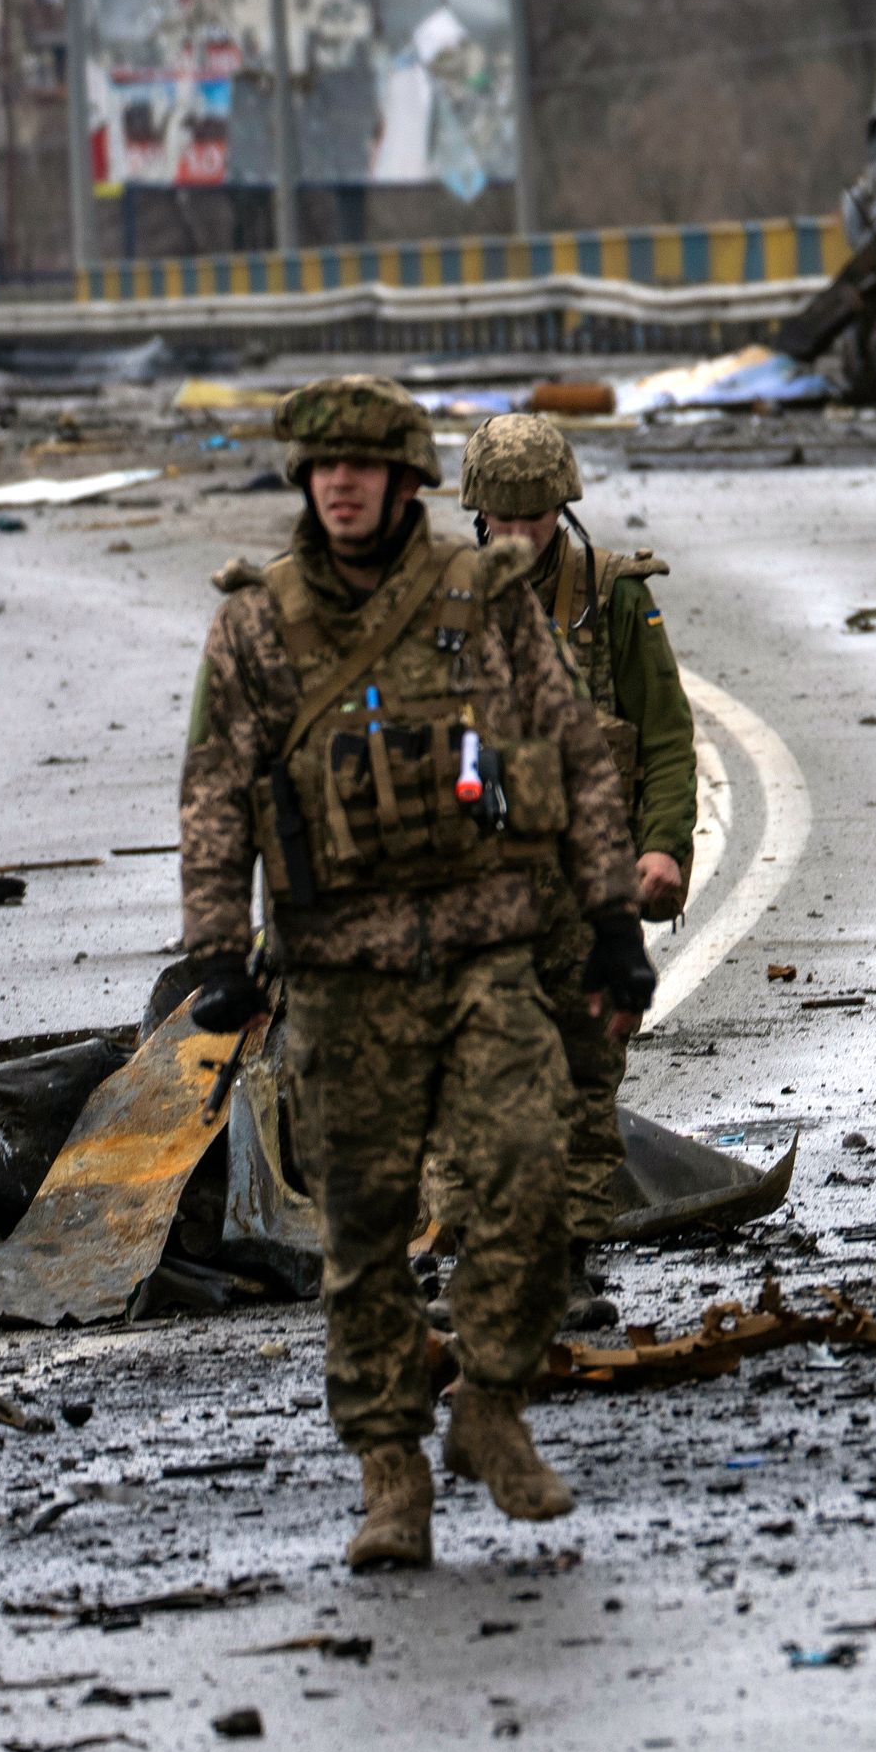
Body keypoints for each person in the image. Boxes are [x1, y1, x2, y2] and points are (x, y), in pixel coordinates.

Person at [174, 376, 652, 1574]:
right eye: (322, 467)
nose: (341, 484)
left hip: (487, 951)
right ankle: (392, 1469)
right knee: (367, 1235)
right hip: (342, 975)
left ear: (407, 479)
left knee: (533, 1175)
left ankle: (490, 1398)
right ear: (303, 481)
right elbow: (215, 795)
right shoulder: (254, 625)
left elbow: (575, 756)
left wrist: (609, 917)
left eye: (365, 466)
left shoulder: (481, 601)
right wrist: (214, 950)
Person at [454, 412, 699, 1330]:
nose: (520, 535)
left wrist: (664, 844)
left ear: (564, 507)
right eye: (504, 518)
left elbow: (667, 734)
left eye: (537, 517)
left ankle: (570, 1266)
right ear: (478, 515)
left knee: (585, 1078)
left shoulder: (615, 598)